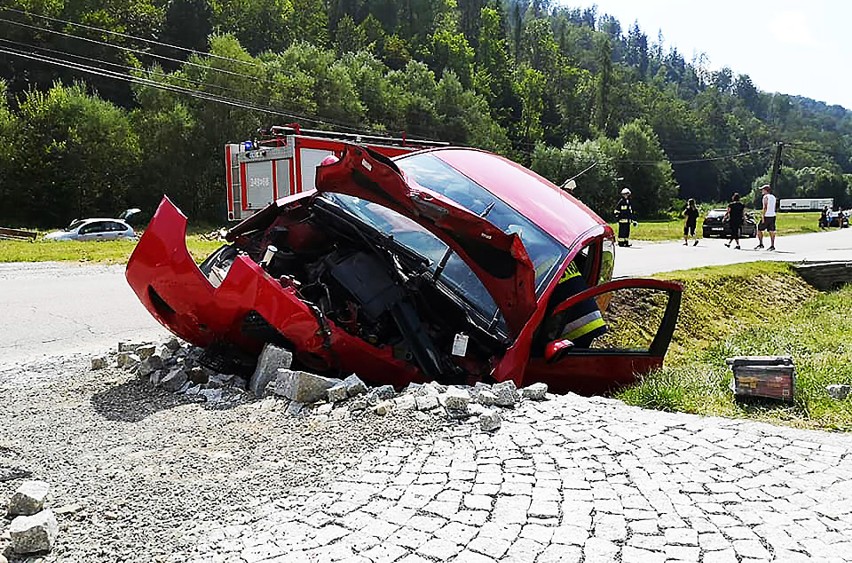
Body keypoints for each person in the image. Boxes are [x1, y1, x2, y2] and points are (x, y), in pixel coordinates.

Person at [755, 184, 777, 250]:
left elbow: (765, 207)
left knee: (759, 229)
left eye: (762, 190)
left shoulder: (765, 197)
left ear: (765, 190)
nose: (762, 191)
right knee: (771, 230)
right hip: (772, 215)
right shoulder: (773, 197)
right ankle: (772, 245)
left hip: (767, 215)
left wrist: (763, 216)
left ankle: (761, 243)